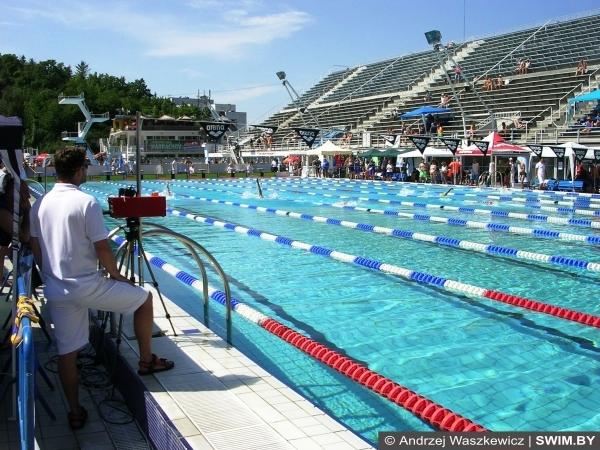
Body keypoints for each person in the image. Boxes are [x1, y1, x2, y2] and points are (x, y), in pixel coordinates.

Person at [29, 147, 174, 430]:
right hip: (87, 284)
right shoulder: (86, 202)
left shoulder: (41, 203)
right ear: (80, 169)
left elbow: (35, 246)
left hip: (57, 290)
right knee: (144, 298)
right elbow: (102, 246)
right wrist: (116, 275)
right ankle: (146, 361)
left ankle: (75, 412)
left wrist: (48, 276)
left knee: (66, 354)